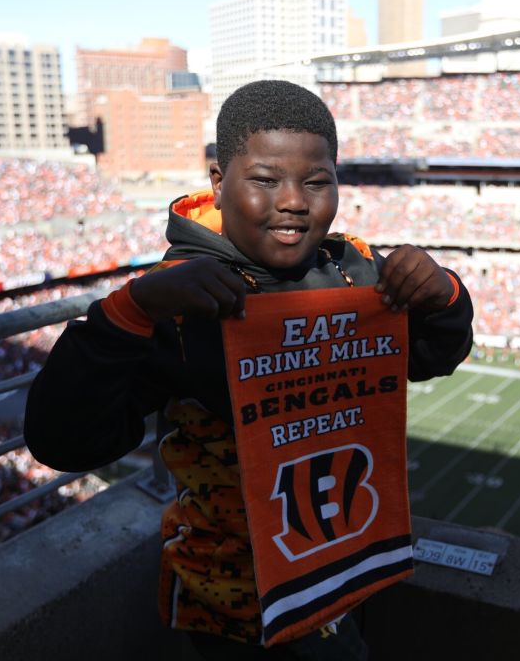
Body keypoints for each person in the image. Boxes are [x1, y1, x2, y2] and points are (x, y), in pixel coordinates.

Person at [24, 80, 474, 659]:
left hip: (344, 572)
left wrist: (442, 296)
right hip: (236, 606)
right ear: (218, 182)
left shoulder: (352, 268)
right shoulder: (178, 299)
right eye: (265, 180)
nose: (293, 200)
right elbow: (63, 441)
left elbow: (433, 358)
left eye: (316, 181)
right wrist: (129, 312)